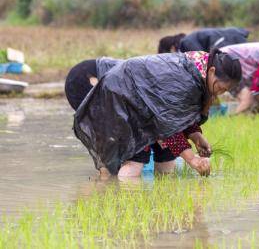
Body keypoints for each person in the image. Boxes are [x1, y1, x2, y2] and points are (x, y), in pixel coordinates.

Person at [67, 49, 241, 177]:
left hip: (140, 102)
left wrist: (196, 136)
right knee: (134, 161)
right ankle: (115, 197)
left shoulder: (198, 71)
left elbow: (177, 115)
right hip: (120, 99)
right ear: (212, 72)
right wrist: (192, 160)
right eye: (220, 87)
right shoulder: (187, 78)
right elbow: (166, 126)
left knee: (166, 162)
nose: (220, 93)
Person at [158, 27, 250, 54]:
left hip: (230, 39)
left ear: (172, 48)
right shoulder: (189, 41)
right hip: (234, 35)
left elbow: (202, 60)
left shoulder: (186, 43)